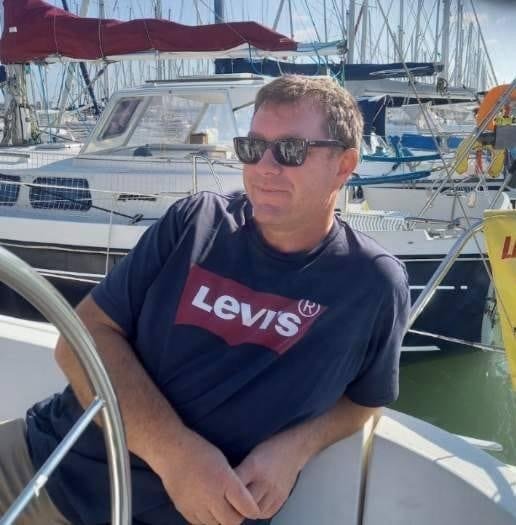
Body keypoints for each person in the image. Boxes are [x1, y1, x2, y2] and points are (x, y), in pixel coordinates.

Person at [0, 75, 410, 525]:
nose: (264, 166)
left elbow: (366, 399)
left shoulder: (371, 284)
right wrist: (177, 457)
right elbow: (82, 338)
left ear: (344, 165)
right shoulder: (195, 223)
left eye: (290, 150)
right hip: (47, 462)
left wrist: (296, 447)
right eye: (253, 147)